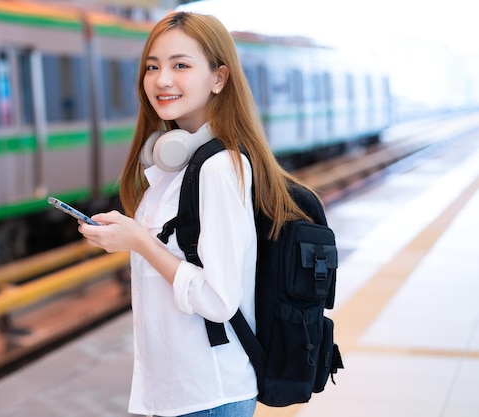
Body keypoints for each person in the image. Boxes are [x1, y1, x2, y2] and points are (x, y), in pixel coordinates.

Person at [78, 11, 313, 417]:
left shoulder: (218, 169)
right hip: (176, 392)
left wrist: (139, 242)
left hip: (208, 394)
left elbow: (219, 300)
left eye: (180, 65)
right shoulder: (177, 166)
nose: (162, 79)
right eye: (152, 66)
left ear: (219, 78)